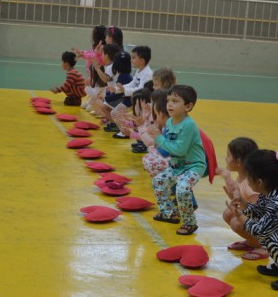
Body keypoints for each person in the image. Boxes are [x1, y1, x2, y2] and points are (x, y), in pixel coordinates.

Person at [148, 85, 206, 235]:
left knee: (182, 188)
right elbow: (169, 147)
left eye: (175, 101)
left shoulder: (188, 125)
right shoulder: (169, 122)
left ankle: (189, 223)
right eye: (168, 101)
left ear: (188, 106)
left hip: (193, 166)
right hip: (177, 165)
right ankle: (169, 213)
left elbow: (180, 150)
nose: (169, 104)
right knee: (158, 181)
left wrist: (159, 138)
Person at [226, 149, 278, 290]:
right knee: (269, 234)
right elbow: (260, 213)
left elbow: (260, 231)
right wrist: (243, 205)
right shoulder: (269, 191)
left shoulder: (275, 202)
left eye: (249, 177)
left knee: (270, 238)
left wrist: (240, 216)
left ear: (259, 182)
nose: (247, 181)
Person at [217, 137, 269, 260]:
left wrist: (240, 210)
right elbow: (237, 193)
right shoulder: (243, 177)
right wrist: (226, 178)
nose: (226, 158)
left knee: (236, 223)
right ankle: (253, 242)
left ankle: (264, 246)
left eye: (228, 156)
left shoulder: (252, 185)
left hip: (268, 226)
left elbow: (259, 213)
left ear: (238, 161)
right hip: (258, 221)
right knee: (228, 213)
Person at [110, 46, 153, 139]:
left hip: (144, 102)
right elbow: (132, 83)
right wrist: (118, 89)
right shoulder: (139, 71)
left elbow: (141, 89)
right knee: (119, 113)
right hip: (136, 100)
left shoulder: (148, 73)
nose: (131, 60)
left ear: (142, 60)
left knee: (141, 121)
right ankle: (126, 132)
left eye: (133, 57)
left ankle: (130, 135)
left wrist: (124, 90)